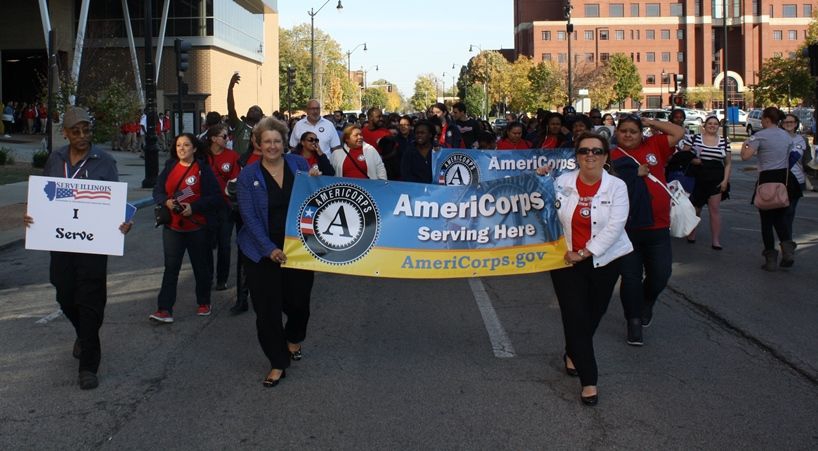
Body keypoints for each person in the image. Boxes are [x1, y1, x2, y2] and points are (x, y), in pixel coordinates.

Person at [23, 106, 133, 390]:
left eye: (87, 130)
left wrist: (122, 222)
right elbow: (44, 196)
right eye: (76, 131)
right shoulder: (56, 159)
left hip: (93, 244)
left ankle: (88, 365)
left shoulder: (104, 162)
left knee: (90, 299)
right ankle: (83, 334)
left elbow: (114, 204)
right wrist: (32, 213)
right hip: (60, 241)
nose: (83, 136)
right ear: (66, 133)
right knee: (64, 292)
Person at [537, 131, 632, 406]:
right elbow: (540, 206)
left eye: (596, 151)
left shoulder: (616, 186)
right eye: (583, 151)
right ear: (576, 156)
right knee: (575, 316)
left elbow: (615, 226)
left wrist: (586, 252)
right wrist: (541, 178)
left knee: (594, 312)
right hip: (566, 261)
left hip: (605, 260)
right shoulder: (562, 182)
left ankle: (572, 351)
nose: (590, 156)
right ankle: (589, 380)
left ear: (605, 157)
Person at [236, 116, 321, 387]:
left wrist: (316, 182)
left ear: (284, 142)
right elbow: (248, 217)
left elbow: (316, 199)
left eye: (277, 141)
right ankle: (277, 362)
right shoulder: (248, 175)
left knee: (299, 302)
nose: (272, 146)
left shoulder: (299, 164)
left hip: (298, 247)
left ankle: (294, 338)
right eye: (267, 141)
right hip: (260, 250)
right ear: (258, 144)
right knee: (267, 310)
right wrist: (269, 249)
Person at [610, 114, 685, 346]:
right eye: (624, 131)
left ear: (641, 132)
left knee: (661, 274)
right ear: (617, 133)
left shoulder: (654, 145)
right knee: (631, 277)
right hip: (627, 227)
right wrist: (633, 174)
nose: (629, 135)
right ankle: (633, 321)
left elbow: (678, 133)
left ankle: (647, 302)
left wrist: (650, 122)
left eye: (634, 130)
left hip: (658, 225)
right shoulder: (611, 155)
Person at [149, 133, 222, 324]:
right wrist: (166, 201)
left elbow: (216, 197)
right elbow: (157, 191)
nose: (182, 148)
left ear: (194, 148)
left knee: (200, 267)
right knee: (171, 268)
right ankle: (164, 309)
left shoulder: (202, 170)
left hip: (197, 228)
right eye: (179, 145)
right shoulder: (170, 167)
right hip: (172, 227)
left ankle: (204, 302)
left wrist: (194, 208)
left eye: (186, 145)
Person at [741, 107, 802, 270]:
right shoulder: (786, 136)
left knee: (766, 221)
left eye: (762, 118)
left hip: (766, 178)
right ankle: (787, 249)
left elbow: (745, 156)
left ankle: (770, 258)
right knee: (780, 218)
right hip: (784, 179)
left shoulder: (759, 136)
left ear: (767, 119)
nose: (760, 121)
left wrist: (744, 145)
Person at [681, 116, 731, 249]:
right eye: (710, 123)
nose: (712, 126)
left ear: (718, 127)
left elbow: (728, 163)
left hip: (716, 178)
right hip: (698, 178)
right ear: (705, 125)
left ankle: (715, 240)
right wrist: (692, 160)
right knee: (695, 208)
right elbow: (683, 155)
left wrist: (725, 180)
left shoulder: (724, 142)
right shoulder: (694, 138)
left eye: (715, 124)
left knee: (714, 209)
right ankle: (691, 233)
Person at [205, 124, 241, 290]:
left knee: (224, 244)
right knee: (206, 244)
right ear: (214, 139)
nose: (228, 139)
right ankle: (207, 277)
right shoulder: (203, 157)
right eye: (224, 136)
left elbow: (234, 181)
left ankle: (222, 279)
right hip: (206, 207)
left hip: (225, 206)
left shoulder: (232, 156)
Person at [227, 72, 264, 156]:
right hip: (239, 164)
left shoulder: (262, 131)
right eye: (250, 109)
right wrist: (230, 88)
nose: (252, 110)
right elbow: (231, 108)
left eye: (256, 110)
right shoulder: (239, 125)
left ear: (261, 116)